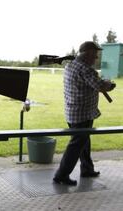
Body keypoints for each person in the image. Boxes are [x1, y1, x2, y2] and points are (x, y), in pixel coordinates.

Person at [53, 41, 116, 186]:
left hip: (72, 112)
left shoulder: (71, 65)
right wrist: (110, 84)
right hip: (83, 113)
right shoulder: (86, 69)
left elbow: (91, 82)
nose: (96, 58)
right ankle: (61, 175)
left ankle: (87, 169)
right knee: (76, 144)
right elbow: (99, 85)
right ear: (87, 53)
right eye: (94, 55)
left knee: (83, 141)